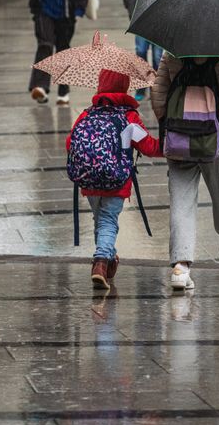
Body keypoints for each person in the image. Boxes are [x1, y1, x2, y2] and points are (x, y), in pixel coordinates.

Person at [151, 56, 219, 291]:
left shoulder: (173, 49)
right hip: (217, 140)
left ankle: (180, 266)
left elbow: (158, 98)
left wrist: (177, 117)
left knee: (181, 201)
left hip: (178, 139)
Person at [66, 69, 162, 288]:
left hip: (89, 182)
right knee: (109, 221)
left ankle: (109, 259)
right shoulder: (129, 117)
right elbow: (148, 147)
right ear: (124, 86)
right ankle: (100, 262)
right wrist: (172, 147)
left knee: (101, 221)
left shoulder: (87, 114)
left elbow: (70, 143)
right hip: (116, 182)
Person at [22, 0, 90, 105]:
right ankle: (41, 87)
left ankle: (63, 91)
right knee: (45, 44)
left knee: (63, 49)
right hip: (43, 9)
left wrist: (80, 6)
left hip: (66, 10)